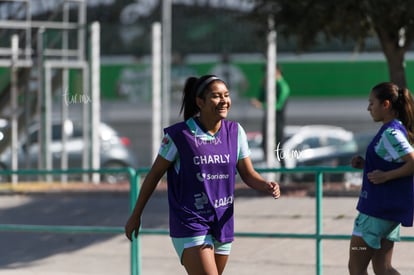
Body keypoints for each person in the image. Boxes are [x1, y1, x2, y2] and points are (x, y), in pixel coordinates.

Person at [125, 75, 281, 275]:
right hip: (191, 221)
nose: (224, 101)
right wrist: (136, 215)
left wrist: (266, 185)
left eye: (226, 95)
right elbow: (154, 175)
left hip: (223, 221)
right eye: (216, 96)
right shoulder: (179, 135)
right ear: (200, 102)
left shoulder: (235, 132)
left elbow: (248, 174)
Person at [348, 82, 414, 275]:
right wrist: (366, 164)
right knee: (383, 268)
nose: (369, 108)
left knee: (356, 268)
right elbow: (392, 161)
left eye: (371, 103)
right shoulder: (396, 129)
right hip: (386, 215)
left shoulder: (391, 133)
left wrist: (386, 176)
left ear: (385, 105)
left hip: (374, 215)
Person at [251, 65, 290, 160]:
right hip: (267, 118)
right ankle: (268, 166)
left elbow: (279, 105)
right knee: (265, 145)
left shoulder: (282, 86)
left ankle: (283, 173)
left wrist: (262, 105)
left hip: (277, 120)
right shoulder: (268, 84)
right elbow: (260, 98)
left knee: (278, 147)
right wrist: (262, 87)